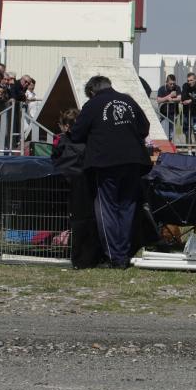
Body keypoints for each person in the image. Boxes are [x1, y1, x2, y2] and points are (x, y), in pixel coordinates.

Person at [70, 75, 152, 269]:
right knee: (127, 206)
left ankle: (114, 255)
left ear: (92, 91)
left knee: (106, 207)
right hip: (133, 161)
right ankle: (123, 252)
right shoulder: (128, 100)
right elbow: (144, 128)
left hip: (106, 162)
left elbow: (77, 134)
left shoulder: (92, 105)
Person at [52, 107, 102, 269]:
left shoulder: (62, 141)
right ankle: (89, 254)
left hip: (67, 186)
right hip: (87, 184)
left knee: (77, 221)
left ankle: (78, 254)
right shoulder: (90, 140)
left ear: (66, 126)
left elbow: (55, 160)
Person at [180, 72, 196, 144]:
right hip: (186, 113)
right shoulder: (185, 86)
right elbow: (183, 97)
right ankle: (189, 151)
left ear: (195, 80)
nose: (189, 82)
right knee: (187, 134)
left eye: (191, 80)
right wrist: (194, 100)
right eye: (188, 80)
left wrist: (191, 100)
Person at [156, 74, 181, 141]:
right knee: (164, 133)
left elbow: (179, 98)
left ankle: (170, 148)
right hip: (163, 115)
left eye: (173, 84)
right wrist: (168, 96)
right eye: (170, 84)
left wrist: (172, 100)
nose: (172, 85)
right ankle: (165, 148)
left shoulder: (177, 88)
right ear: (166, 82)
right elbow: (158, 100)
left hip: (173, 114)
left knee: (171, 134)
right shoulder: (162, 89)